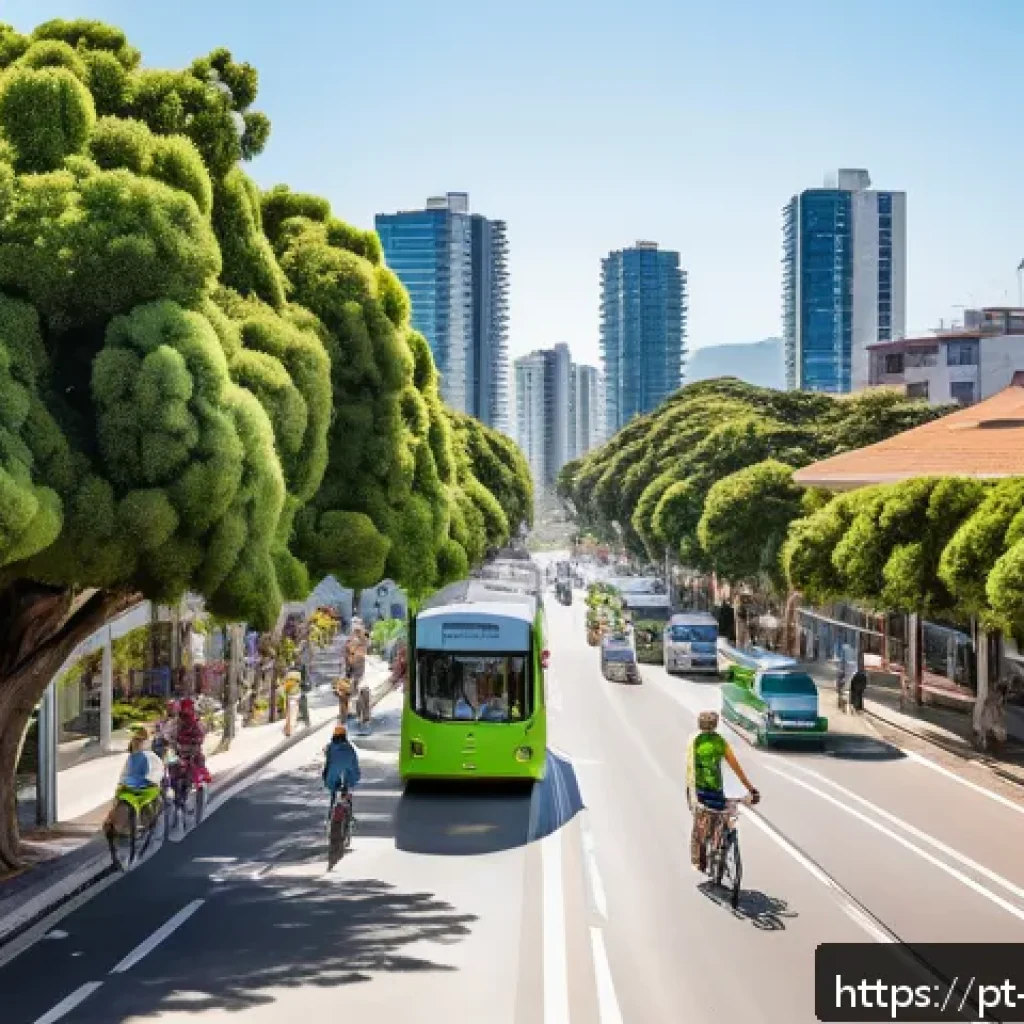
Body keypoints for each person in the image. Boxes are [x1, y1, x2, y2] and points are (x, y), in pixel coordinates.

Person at [686, 710, 759, 871]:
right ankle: (721, 847)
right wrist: (750, 789)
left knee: (699, 826)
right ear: (715, 724)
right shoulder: (720, 742)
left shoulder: (694, 741)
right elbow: (736, 768)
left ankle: (699, 859)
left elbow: (690, 768)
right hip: (717, 792)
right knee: (724, 816)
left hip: (699, 792)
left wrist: (691, 792)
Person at [103, 727, 164, 834]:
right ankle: (115, 823)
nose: (136, 742)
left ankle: (146, 823)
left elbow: (157, 771)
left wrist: (150, 780)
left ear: (145, 741)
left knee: (147, 804)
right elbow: (125, 772)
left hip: (146, 788)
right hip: (130, 787)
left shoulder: (150, 756)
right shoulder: (132, 757)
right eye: (135, 740)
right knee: (121, 799)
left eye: (139, 740)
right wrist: (122, 782)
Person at [323, 723, 361, 805]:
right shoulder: (350, 748)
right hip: (350, 777)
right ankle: (346, 802)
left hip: (332, 778)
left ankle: (333, 804)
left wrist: (325, 777)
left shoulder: (330, 747)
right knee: (348, 782)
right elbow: (355, 764)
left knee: (332, 784)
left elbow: (328, 764)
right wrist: (356, 777)